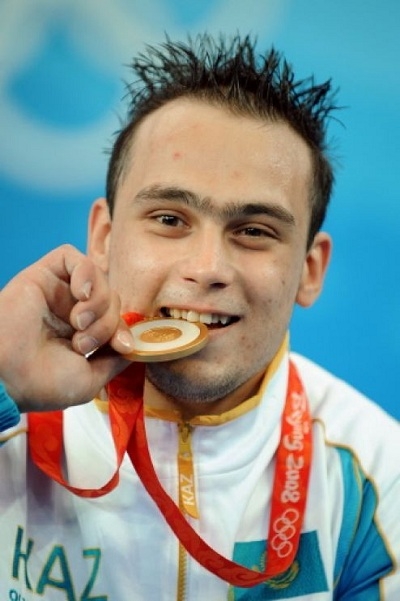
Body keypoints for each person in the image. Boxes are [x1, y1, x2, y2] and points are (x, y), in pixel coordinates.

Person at [0, 33, 399, 600]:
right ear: (104, 239)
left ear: (310, 270)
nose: (207, 268)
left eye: (254, 231)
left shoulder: (378, 474)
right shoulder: (11, 420)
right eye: (169, 219)